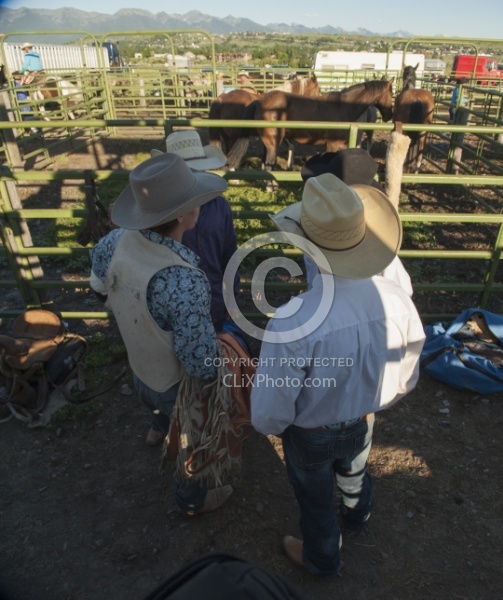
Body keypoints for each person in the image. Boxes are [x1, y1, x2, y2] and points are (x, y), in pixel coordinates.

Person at [250, 173, 426, 576]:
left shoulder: (294, 319)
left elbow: (268, 412)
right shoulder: (397, 299)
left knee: (314, 499)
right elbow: (407, 373)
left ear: (306, 248)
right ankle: (358, 513)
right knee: (355, 467)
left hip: (310, 433)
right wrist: (372, 401)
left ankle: (324, 557)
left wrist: (279, 426)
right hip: (363, 416)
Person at [89, 152, 233, 516]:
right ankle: (191, 496)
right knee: (194, 436)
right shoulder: (184, 279)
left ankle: (156, 428)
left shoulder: (113, 241)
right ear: (187, 214)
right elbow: (200, 362)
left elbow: (98, 288)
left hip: (140, 363)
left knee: (150, 396)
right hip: (173, 382)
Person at [152, 129, 241, 332]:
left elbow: (229, 254)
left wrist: (232, 296)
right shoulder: (164, 211)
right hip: (176, 304)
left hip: (211, 301)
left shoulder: (220, 205)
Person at [301, 148, 413, 296]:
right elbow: (404, 290)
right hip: (374, 305)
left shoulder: (317, 233)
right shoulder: (381, 245)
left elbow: (313, 282)